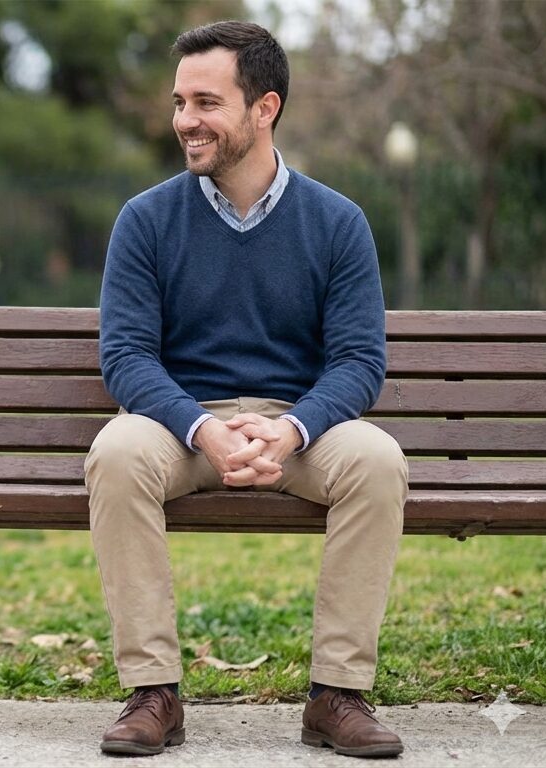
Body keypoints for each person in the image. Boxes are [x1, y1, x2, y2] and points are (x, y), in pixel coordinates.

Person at [87, 20, 407, 759]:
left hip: (299, 431)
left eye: (206, 102)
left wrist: (291, 429)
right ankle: (153, 691)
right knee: (116, 452)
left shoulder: (337, 222)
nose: (184, 122)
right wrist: (203, 428)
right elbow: (127, 357)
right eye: (179, 102)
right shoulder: (145, 220)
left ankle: (336, 695)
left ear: (264, 109)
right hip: (180, 428)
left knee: (378, 461)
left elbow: (359, 361)